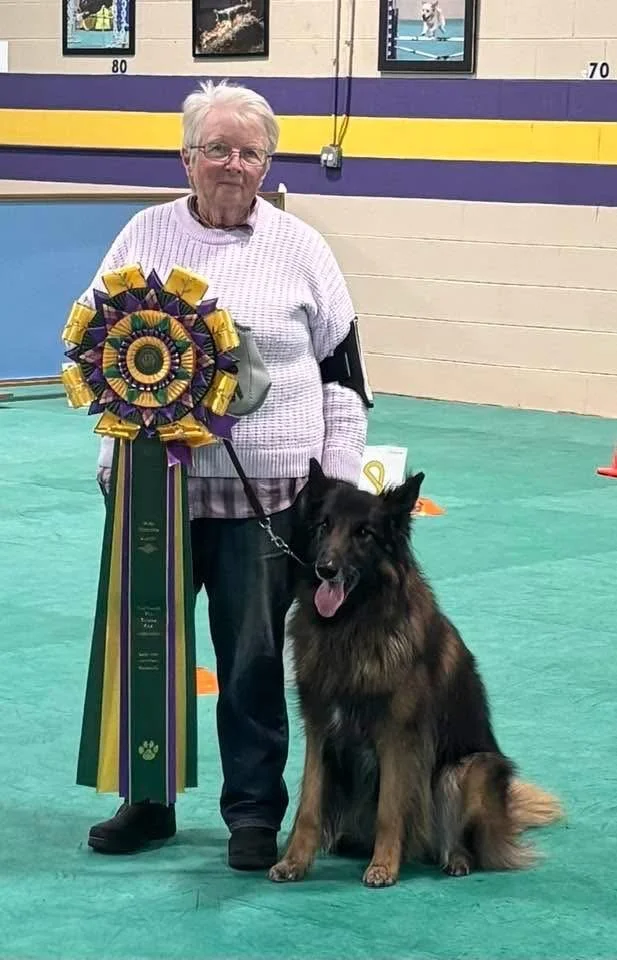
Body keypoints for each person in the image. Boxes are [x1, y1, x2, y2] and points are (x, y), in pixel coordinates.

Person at [81, 79, 369, 871]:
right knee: (151, 649)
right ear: (187, 157)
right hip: (154, 492)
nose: (232, 164)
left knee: (248, 662)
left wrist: (337, 485)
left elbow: (343, 376)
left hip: (267, 500)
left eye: (249, 151)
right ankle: (147, 799)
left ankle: (251, 812)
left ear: (268, 161)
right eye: (216, 149)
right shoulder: (142, 234)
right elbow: (95, 348)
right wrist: (112, 459)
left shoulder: (302, 248)